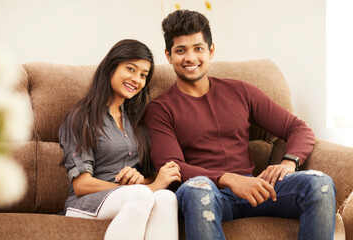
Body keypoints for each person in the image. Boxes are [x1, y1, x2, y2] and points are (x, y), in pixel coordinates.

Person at [144, 9, 336, 240]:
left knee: (320, 184)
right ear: (168, 55)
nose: (190, 58)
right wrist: (226, 178)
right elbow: (173, 166)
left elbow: (298, 128)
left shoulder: (240, 91)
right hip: (208, 193)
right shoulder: (159, 108)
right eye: (181, 50)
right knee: (198, 190)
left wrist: (289, 162)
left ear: (211, 50)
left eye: (198, 48)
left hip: (254, 190)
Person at [58, 39, 181, 240]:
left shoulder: (137, 122)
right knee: (142, 195)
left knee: (166, 197)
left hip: (132, 198)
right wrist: (141, 188)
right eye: (130, 69)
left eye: (143, 75)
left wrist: (144, 181)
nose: (137, 79)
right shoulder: (81, 116)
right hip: (86, 203)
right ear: (111, 66)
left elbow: (148, 182)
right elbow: (81, 185)